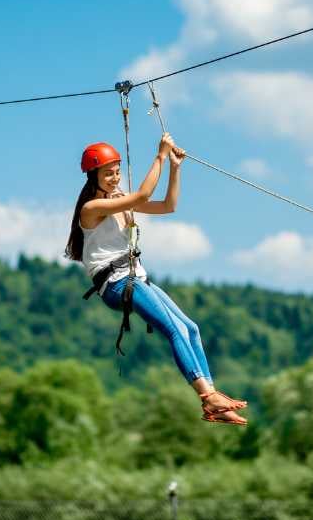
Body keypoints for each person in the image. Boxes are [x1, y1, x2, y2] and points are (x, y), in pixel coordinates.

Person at [65, 133, 248, 425]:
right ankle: (206, 397)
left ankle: (213, 398)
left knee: (190, 328)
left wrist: (174, 167)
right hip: (117, 283)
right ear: (92, 177)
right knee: (173, 330)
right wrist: (160, 156)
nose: (114, 178)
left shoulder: (118, 201)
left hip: (135, 277)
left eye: (116, 172)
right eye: (107, 174)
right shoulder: (92, 209)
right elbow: (142, 197)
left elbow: (167, 206)